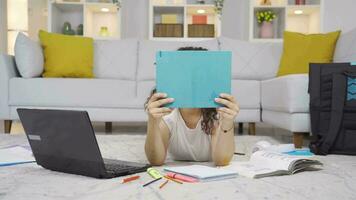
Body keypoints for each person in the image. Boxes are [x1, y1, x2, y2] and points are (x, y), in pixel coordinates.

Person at [144, 47, 239, 166]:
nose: (191, 82)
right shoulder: (168, 116)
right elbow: (155, 160)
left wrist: (228, 122)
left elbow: (222, 161)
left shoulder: (217, 115)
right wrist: (152, 121)